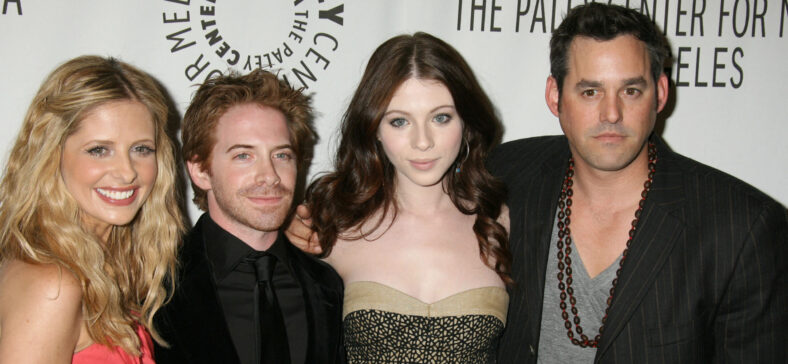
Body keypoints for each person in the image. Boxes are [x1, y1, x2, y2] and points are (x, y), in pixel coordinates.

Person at [489, 3, 788, 363]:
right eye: (590, 92)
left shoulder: (742, 229)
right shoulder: (505, 175)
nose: (611, 114)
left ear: (660, 93)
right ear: (555, 96)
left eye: (631, 91)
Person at [297, 32, 511, 363]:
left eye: (441, 117)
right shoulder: (332, 224)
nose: (422, 141)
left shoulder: (505, 224)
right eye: (399, 121)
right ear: (375, 130)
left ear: (467, 123)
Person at [152, 69, 345, 364]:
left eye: (282, 155)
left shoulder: (329, 285)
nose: (269, 176)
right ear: (200, 171)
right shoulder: (152, 287)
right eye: (244, 155)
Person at [0, 56, 184, 363]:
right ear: (52, 155)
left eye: (141, 149)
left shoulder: (108, 265)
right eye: (99, 150)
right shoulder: (53, 285)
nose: (126, 172)